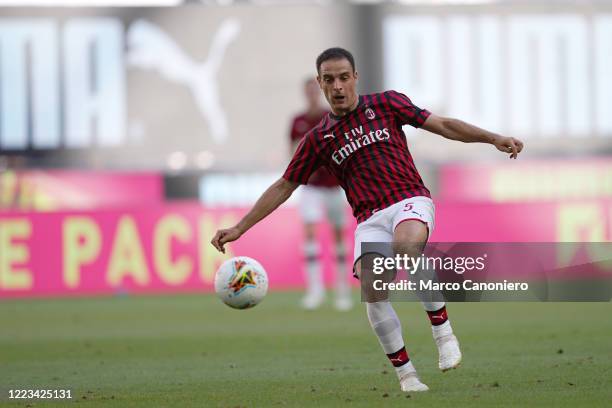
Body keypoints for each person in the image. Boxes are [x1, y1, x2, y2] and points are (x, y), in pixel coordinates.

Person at [212, 47, 524, 392]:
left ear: (355, 77)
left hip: (409, 199)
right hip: (369, 218)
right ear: (320, 83)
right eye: (329, 80)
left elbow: (444, 125)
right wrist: (240, 227)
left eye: (344, 77)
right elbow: (285, 185)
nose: (338, 86)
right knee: (373, 288)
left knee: (406, 246)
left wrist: (493, 138)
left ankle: (443, 332)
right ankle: (407, 375)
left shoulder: (387, 104)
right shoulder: (318, 138)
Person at [289, 78, 352, 311]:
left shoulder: (332, 117)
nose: (312, 95)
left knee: (338, 236)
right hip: (311, 188)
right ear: (305, 94)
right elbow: (292, 151)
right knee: (310, 232)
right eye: (308, 91)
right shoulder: (298, 121)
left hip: (334, 186)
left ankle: (342, 291)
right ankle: (315, 291)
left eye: (315, 90)